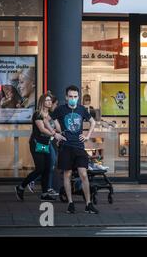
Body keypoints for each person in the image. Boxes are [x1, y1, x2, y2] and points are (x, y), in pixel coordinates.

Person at [50, 85, 99, 214]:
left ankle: (88, 204)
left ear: (78, 97)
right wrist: (55, 134)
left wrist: (87, 136)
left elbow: (93, 122)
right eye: (70, 97)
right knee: (67, 174)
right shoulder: (61, 109)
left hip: (79, 147)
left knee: (83, 174)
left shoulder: (82, 110)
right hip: (66, 147)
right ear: (66, 97)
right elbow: (46, 119)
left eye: (75, 97)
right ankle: (70, 203)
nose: (73, 99)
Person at [15, 93, 65, 201]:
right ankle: (21, 187)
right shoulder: (37, 114)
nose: (49, 102)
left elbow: (59, 128)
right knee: (40, 168)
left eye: (50, 100)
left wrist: (56, 127)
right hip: (37, 144)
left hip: (46, 144)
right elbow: (42, 129)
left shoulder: (51, 114)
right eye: (47, 100)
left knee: (48, 168)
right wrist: (54, 134)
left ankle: (45, 193)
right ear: (42, 102)